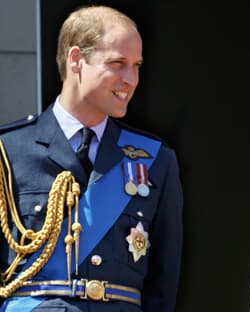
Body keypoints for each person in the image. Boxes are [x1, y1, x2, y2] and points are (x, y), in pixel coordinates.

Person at [0, 5, 183, 312]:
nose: (132, 79)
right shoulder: (8, 151)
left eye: (136, 65)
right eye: (117, 63)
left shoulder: (156, 160)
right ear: (76, 60)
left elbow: (162, 286)